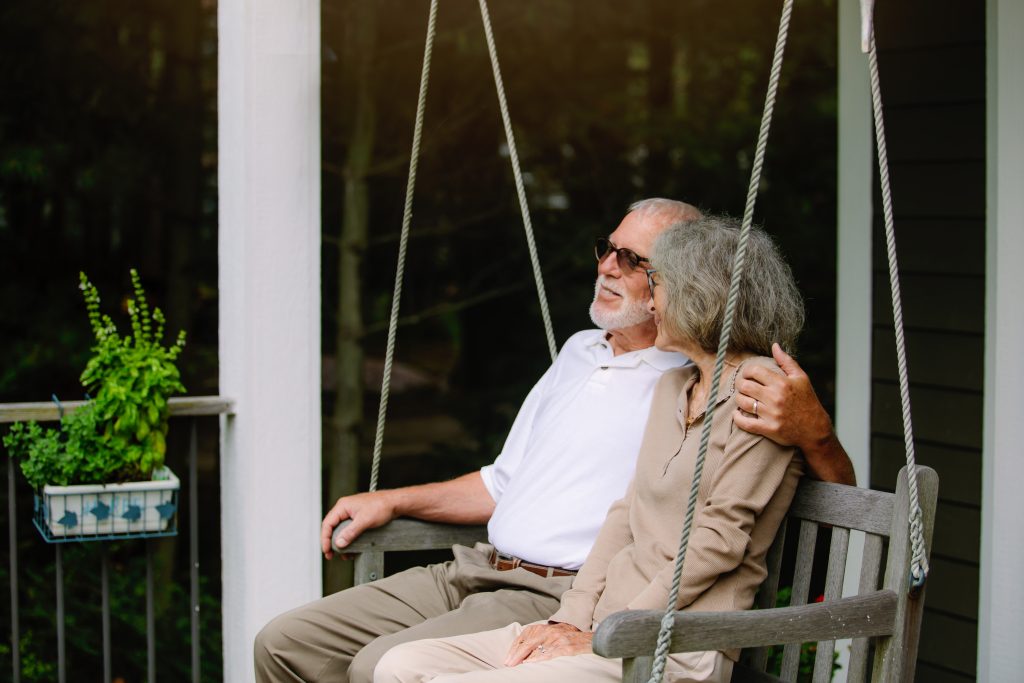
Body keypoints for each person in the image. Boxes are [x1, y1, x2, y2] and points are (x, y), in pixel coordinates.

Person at [254, 199, 853, 682]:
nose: (607, 266)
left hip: (560, 590)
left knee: (375, 668)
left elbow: (794, 497)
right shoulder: (584, 354)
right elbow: (503, 482)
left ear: (693, 287)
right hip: (476, 567)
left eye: (634, 260)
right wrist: (393, 499)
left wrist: (817, 434)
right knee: (281, 645)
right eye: (607, 250)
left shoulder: (729, 387)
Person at [373, 214, 805, 683]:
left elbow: (718, 543)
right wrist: (571, 619)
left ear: (700, 296)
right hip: (602, 621)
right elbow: (625, 512)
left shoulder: (760, 396)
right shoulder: (674, 387)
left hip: (672, 642)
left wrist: (617, 628)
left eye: (658, 285)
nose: (651, 303)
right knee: (399, 666)